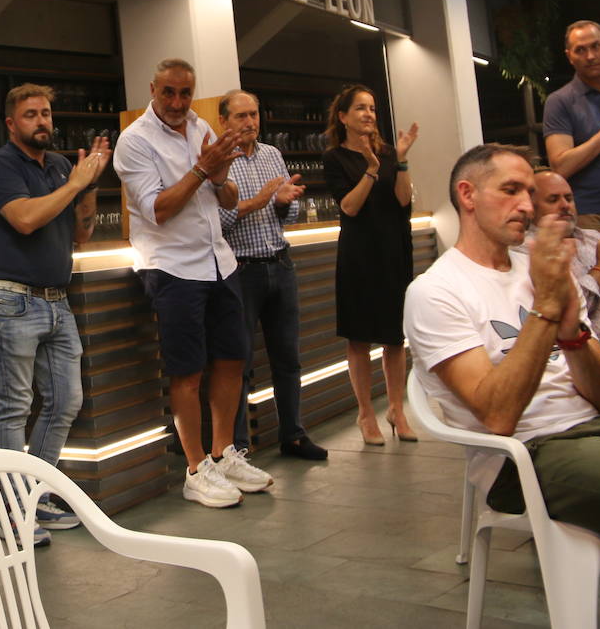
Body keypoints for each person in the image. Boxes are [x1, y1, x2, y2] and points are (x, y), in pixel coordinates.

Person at [404, 143, 600, 627]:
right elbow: (499, 416)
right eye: (511, 190)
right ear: (468, 194)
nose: (528, 205)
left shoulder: (538, 268)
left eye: (530, 191)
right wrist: (548, 307)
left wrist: (572, 333)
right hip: (527, 455)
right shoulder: (436, 292)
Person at [113, 60, 273, 509]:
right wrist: (204, 169)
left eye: (186, 93)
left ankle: (223, 454)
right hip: (172, 266)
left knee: (232, 360)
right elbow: (158, 209)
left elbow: (227, 198)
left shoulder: (200, 125)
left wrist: (220, 176)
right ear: (153, 89)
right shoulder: (135, 141)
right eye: (169, 93)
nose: (179, 103)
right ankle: (195, 468)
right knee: (187, 371)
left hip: (218, 261)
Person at [0, 83, 108, 542]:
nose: (42, 122)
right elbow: (25, 219)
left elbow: (81, 235)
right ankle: (11, 512)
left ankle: (34, 495)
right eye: (31, 114)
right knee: (14, 406)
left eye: (47, 113)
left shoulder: (57, 166)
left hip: (56, 299)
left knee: (66, 400)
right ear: (12, 124)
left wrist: (87, 188)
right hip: (10, 299)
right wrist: (74, 182)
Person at [217, 90, 327, 461]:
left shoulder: (272, 154)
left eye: (254, 115)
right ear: (224, 122)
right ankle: (239, 447)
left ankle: (292, 435)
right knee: (239, 363)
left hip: (280, 264)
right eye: (241, 116)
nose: (250, 122)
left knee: (288, 358)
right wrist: (257, 202)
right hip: (241, 271)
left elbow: (289, 216)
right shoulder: (218, 165)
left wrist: (283, 204)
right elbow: (216, 223)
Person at [321, 83, 418, 446]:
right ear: (343, 116)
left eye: (373, 108)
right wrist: (372, 170)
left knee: (395, 337)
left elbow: (404, 200)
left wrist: (402, 160)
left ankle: (397, 409)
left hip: (394, 249)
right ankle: (365, 414)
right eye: (360, 108)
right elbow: (349, 206)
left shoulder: (391, 153)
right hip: (359, 254)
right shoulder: (335, 158)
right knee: (359, 336)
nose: (369, 115)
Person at [512, 169, 600, 366]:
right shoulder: (527, 252)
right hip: (597, 347)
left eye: (568, 198)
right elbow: (565, 315)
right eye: (553, 199)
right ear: (531, 207)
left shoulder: (595, 238)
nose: (565, 205)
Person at [544, 21, 600, 229]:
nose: (590, 56)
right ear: (569, 56)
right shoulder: (559, 101)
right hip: (591, 214)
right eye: (580, 50)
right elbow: (561, 166)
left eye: (596, 46)